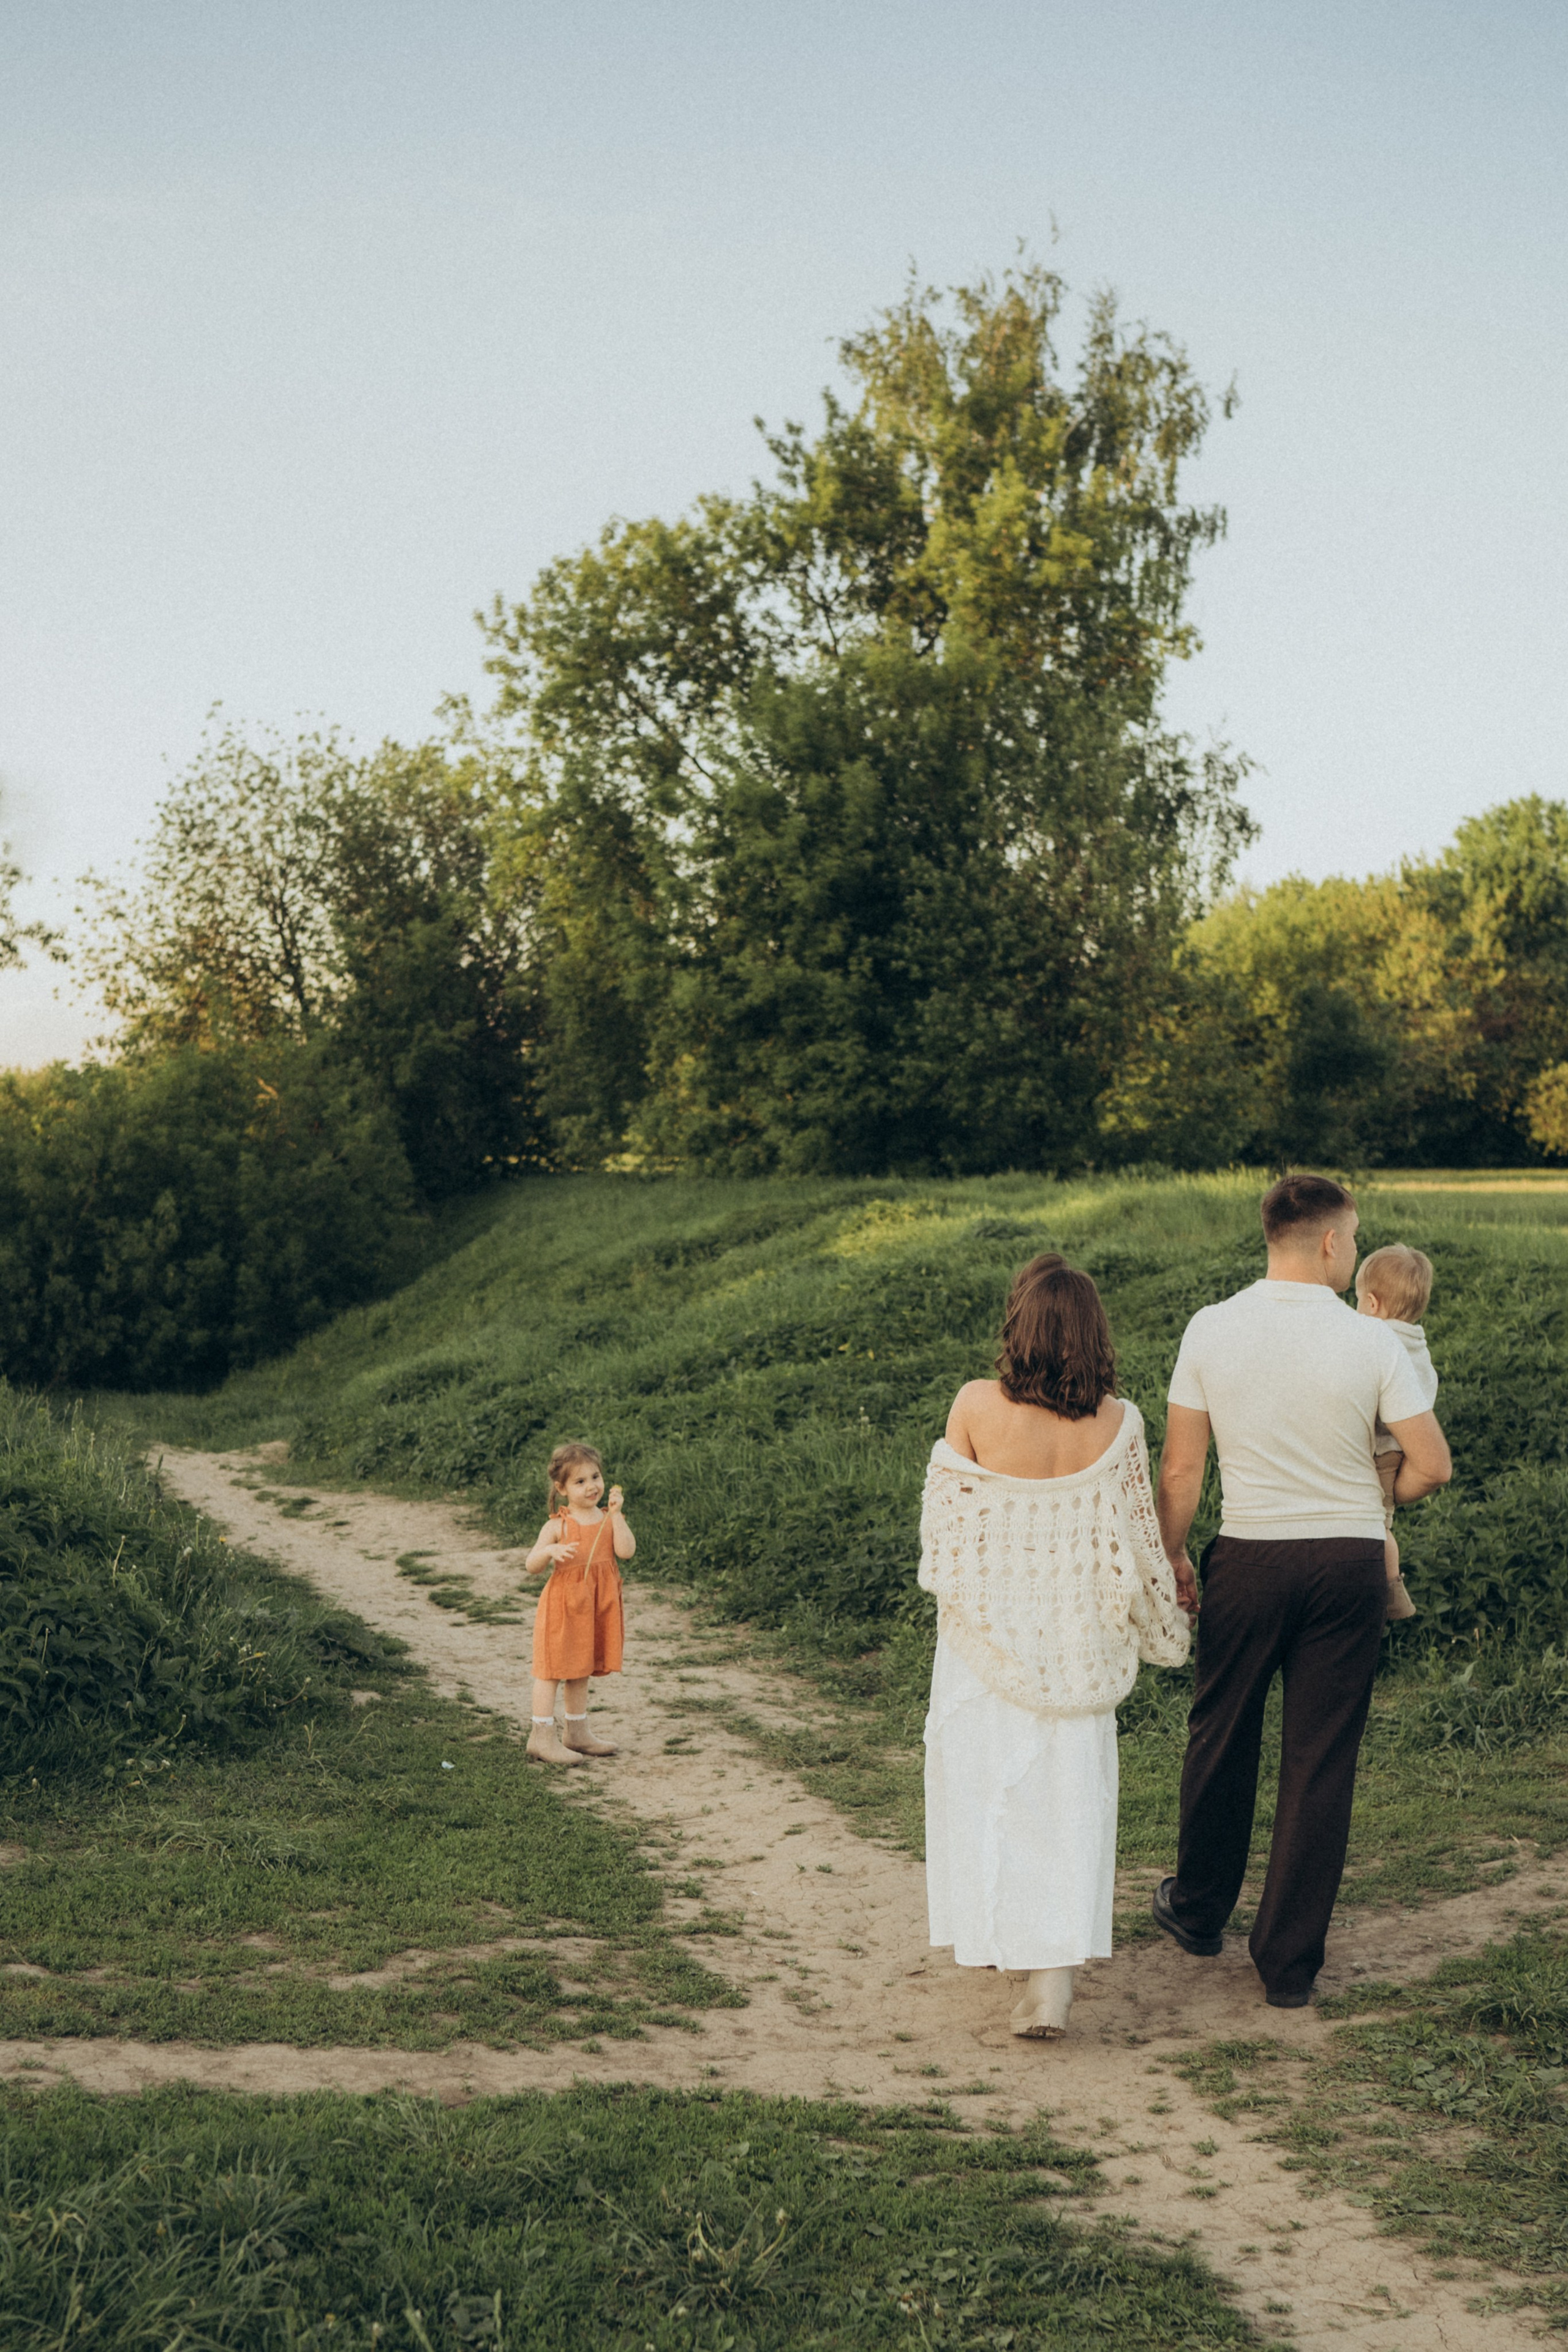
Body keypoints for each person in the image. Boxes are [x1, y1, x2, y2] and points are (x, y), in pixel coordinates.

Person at [1153, 1175, 1451, 2008]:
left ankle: (1201, 1911)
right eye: (1353, 1240)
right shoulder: (1375, 1343)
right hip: (1348, 1565)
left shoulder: (1211, 1328)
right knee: (1320, 1758)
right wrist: (1377, 1498)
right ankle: (1287, 1967)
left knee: (1221, 1733)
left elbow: (1181, 1468)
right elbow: (1433, 1464)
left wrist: (1170, 1560)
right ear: (1329, 1242)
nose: (1354, 1252)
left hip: (1248, 1558)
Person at [921, 1256, 1192, 2040]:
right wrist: (1173, 1572)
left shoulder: (974, 1406)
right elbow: (1142, 1546)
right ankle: (1053, 1979)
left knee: (987, 1792)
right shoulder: (1121, 1424)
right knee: (1069, 1802)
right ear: (1093, 1334)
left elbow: (948, 1532)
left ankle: (1003, 1941)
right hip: (1080, 1642)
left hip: (985, 1643)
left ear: (1020, 1329)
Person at [524, 1442, 635, 1766]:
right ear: (561, 1489)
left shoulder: (607, 1519)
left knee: (581, 1666)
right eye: (580, 1481)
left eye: (596, 1477)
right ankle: (541, 1736)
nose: (592, 1487)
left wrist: (617, 1517)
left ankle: (577, 1732)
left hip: (596, 1606)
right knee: (552, 1670)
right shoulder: (558, 1524)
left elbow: (626, 1551)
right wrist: (549, 1552)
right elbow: (531, 1563)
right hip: (564, 1607)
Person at [1354, 1243, 1438, 1623]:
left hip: (1381, 1452)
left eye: (1356, 1300)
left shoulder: (1377, 1344)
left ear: (1372, 1304)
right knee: (1378, 1519)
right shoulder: (1417, 1345)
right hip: (1397, 1450)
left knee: (1378, 1523)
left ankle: (1391, 1589)